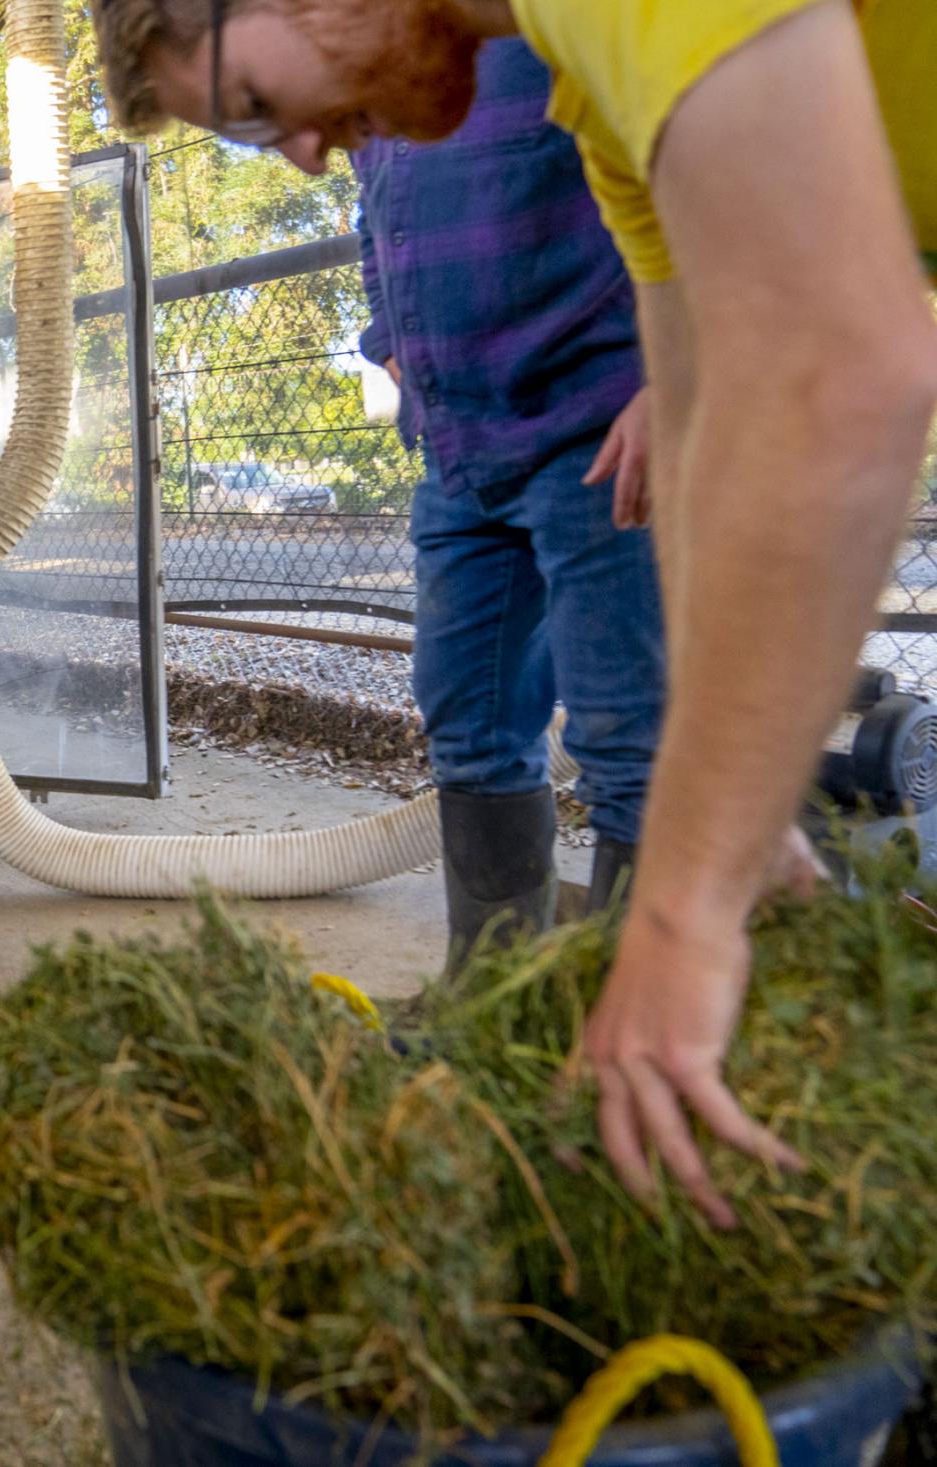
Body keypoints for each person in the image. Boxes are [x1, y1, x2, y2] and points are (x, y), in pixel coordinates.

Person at [86, 0, 937, 1228]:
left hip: (572, 435)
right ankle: (538, 1001)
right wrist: (738, 818)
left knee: (640, 781)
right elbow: (703, 411)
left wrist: (686, 916)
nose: (301, 156)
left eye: (259, 108)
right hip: (477, 439)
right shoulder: (594, 101)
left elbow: (840, 378)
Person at [352, 36, 663, 972]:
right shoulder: (377, 61)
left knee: (631, 737)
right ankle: (490, 1001)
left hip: (597, 429)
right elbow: (375, 221)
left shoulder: (549, 25)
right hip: (457, 447)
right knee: (468, 719)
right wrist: (387, 331)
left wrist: (678, 374)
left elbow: (678, 162)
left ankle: (632, 1030)